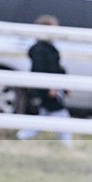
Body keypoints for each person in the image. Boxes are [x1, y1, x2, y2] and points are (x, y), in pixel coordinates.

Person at [16, 14, 73, 145]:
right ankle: (67, 144)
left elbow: (58, 69)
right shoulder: (41, 51)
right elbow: (41, 70)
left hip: (50, 87)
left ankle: (22, 136)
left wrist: (64, 86)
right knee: (61, 116)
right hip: (45, 89)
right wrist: (50, 86)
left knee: (43, 116)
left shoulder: (49, 49)